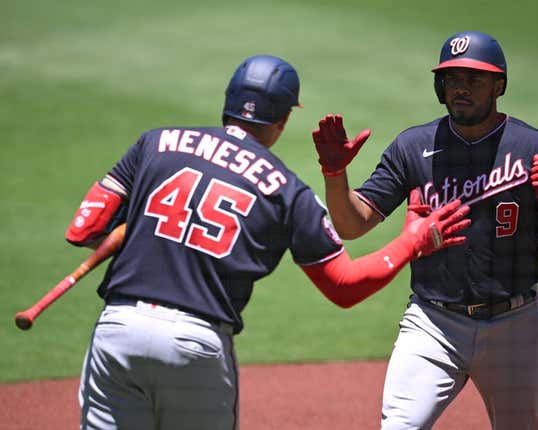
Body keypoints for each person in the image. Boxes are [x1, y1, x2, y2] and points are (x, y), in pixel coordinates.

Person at [63, 54, 471, 430]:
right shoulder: (287, 192)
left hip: (117, 330)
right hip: (195, 345)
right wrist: (412, 241)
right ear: (282, 120)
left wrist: (131, 228)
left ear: (228, 100)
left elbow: (83, 231)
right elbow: (344, 285)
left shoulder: (154, 143)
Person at [312, 31, 538, 429]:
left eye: (474, 79)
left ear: (499, 85)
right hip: (432, 322)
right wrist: (335, 174)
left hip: (514, 323)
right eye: (453, 79)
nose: (461, 88)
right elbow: (352, 224)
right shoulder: (413, 146)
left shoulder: (536, 149)